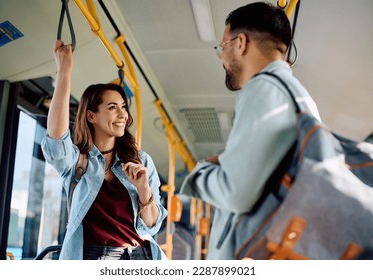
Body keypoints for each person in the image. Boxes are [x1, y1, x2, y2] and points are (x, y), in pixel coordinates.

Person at [180, 2, 321, 259]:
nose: (222, 58)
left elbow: (236, 193)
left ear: (240, 42)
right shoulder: (299, 96)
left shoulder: (264, 88)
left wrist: (201, 172)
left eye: (222, 47)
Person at [41, 40, 168, 260]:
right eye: (112, 108)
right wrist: (64, 71)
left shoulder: (142, 161)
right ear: (91, 116)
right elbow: (56, 141)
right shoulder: (77, 161)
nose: (123, 115)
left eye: (123, 108)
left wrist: (144, 190)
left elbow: (153, 225)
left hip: (140, 256)